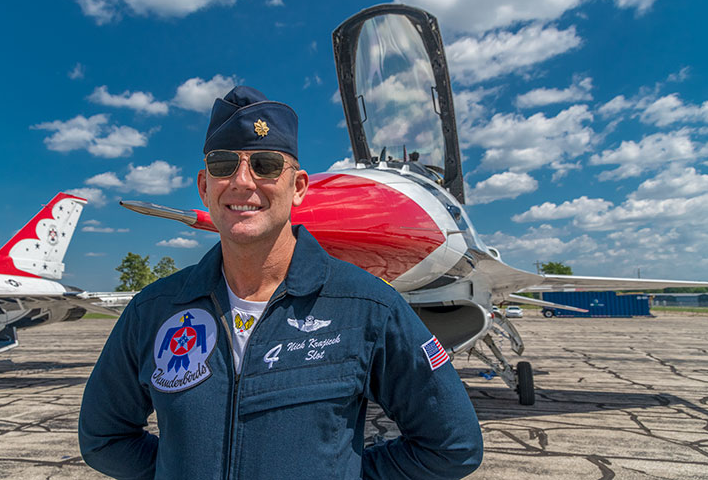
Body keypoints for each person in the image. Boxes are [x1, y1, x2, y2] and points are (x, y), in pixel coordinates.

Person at [79, 86, 483, 479]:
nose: (242, 181)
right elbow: (103, 438)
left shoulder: (369, 306)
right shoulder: (154, 309)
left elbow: (451, 446)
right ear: (205, 186)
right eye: (223, 165)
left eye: (266, 165)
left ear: (299, 187)